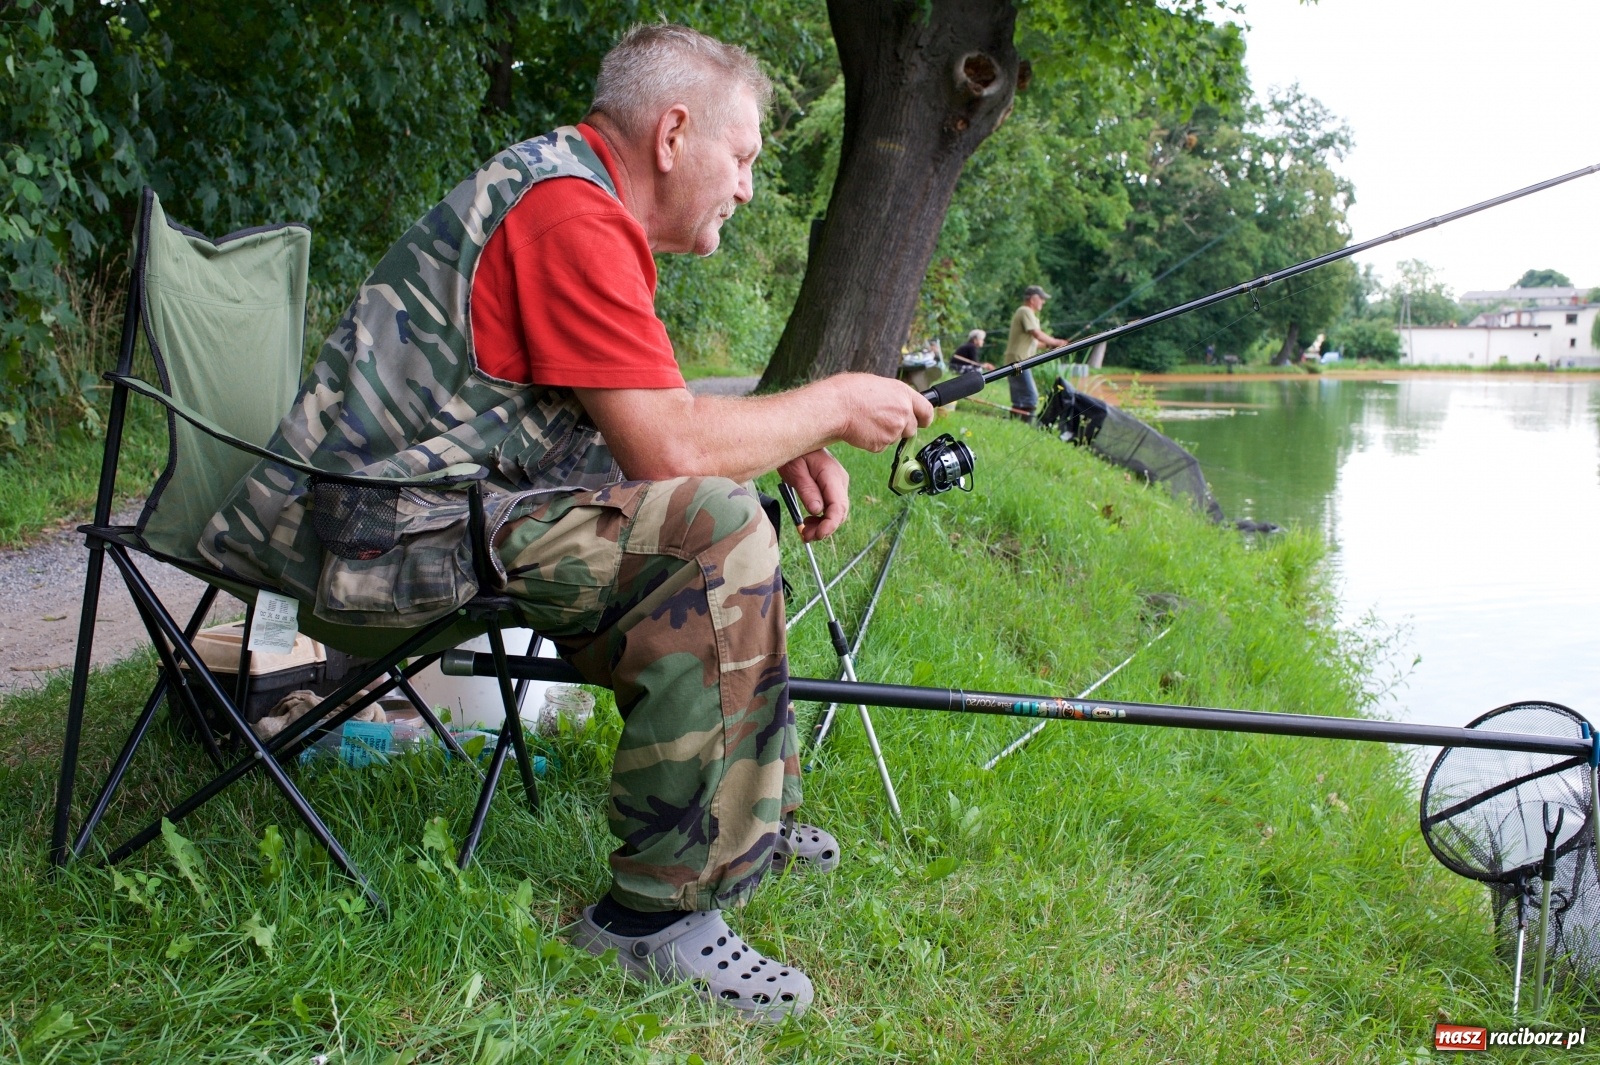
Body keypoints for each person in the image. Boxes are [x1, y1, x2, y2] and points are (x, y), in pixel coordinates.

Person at [199, 24, 933, 1024]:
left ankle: (743, 816)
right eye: (746, 156)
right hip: (375, 548)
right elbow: (667, 452)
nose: (750, 187)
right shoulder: (567, 215)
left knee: (725, 500)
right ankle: (652, 925)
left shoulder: (568, 195)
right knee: (706, 527)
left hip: (421, 513)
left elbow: (650, 405)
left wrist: (781, 433)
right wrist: (836, 400)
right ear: (674, 133)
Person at [1003, 285, 1070, 416]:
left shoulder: (1029, 314)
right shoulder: (1025, 311)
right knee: (1031, 397)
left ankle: (1016, 423)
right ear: (1033, 299)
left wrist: (1049, 345)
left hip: (1018, 359)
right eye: (1041, 298)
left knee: (1020, 398)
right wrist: (1056, 341)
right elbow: (1036, 334)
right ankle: (1024, 424)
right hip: (1018, 360)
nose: (1043, 302)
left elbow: (1033, 342)